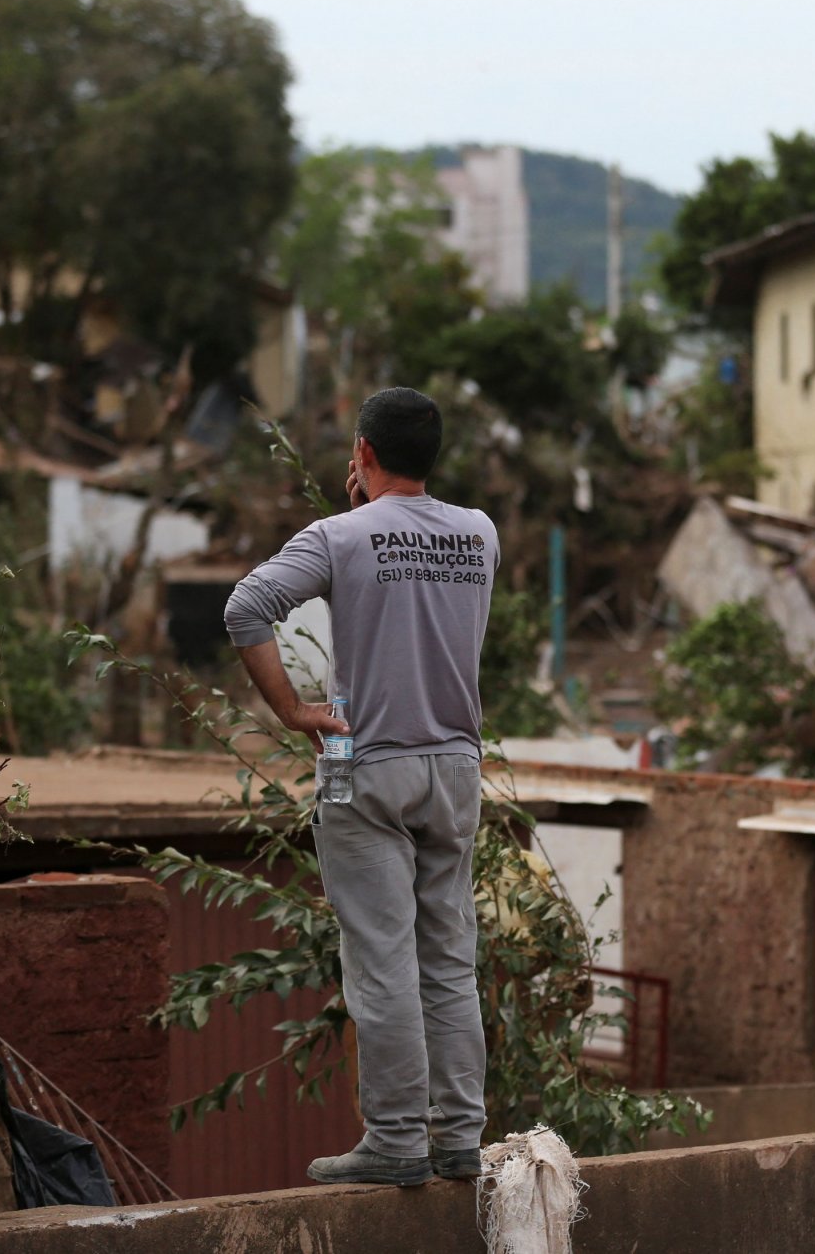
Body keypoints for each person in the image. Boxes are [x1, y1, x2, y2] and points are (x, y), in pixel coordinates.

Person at [222, 386, 497, 1186]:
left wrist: (293, 710)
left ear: (363, 453)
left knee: (382, 960)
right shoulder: (480, 534)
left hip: (368, 767)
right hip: (455, 769)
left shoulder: (339, 536)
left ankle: (397, 1139)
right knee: (449, 959)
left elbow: (247, 608)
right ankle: (459, 1137)